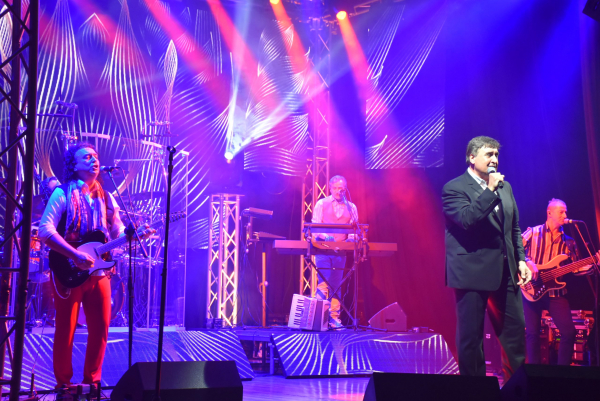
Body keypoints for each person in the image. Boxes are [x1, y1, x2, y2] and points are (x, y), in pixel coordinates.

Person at [38, 143, 152, 388]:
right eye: (87, 157)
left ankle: (92, 383)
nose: (94, 160)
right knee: (66, 329)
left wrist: (132, 235)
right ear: (74, 164)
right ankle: (64, 386)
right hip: (68, 268)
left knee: (101, 328)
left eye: (96, 156)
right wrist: (74, 254)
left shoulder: (107, 197)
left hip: (100, 271)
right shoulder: (62, 193)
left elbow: (116, 230)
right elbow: (45, 231)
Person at [442, 136, 531, 381]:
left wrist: (521, 260)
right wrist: (489, 190)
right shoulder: (454, 188)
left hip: (506, 270)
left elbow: (513, 227)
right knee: (471, 340)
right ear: (472, 157)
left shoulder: (505, 187)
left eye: (496, 155)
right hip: (472, 270)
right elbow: (467, 220)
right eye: (488, 154)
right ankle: (475, 392)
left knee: (514, 336)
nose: (494, 159)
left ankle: (516, 390)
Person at [522, 199, 595, 365]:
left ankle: (562, 374)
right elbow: (515, 249)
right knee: (532, 333)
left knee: (569, 333)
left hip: (556, 292)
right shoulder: (533, 232)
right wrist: (528, 261)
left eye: (566, 211)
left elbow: (575, 269)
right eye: (561, 211)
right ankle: (535, 374)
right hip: (531, 288)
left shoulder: (569, 242)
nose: (565, 215)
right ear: (549, 212)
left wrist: (592, 264)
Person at [312, 175, 358, 329]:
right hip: (323, 250)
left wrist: (351, 239)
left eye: (342, 188)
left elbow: (354, 229)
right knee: (323, 283)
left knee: (336, 285)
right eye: (336, 188)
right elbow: (315, 227)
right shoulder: (321, 203)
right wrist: (326, 236)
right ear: (330, 189)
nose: (339, 191)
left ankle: (334, 318)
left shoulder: (351, 207)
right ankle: (318, 318)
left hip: (340, 252)